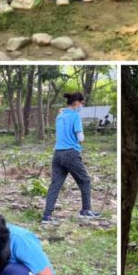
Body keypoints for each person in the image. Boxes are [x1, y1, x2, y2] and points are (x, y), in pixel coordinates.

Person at [42, 91, 100, 223]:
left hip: (57, 154)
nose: (82, 106)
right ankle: (86, 210)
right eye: (82, 103)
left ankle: (47, 216)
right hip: (71, 153)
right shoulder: (75, 117)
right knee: (84, 181)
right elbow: (80, 138)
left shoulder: (60, 116)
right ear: (76, 103)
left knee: (55, 185)